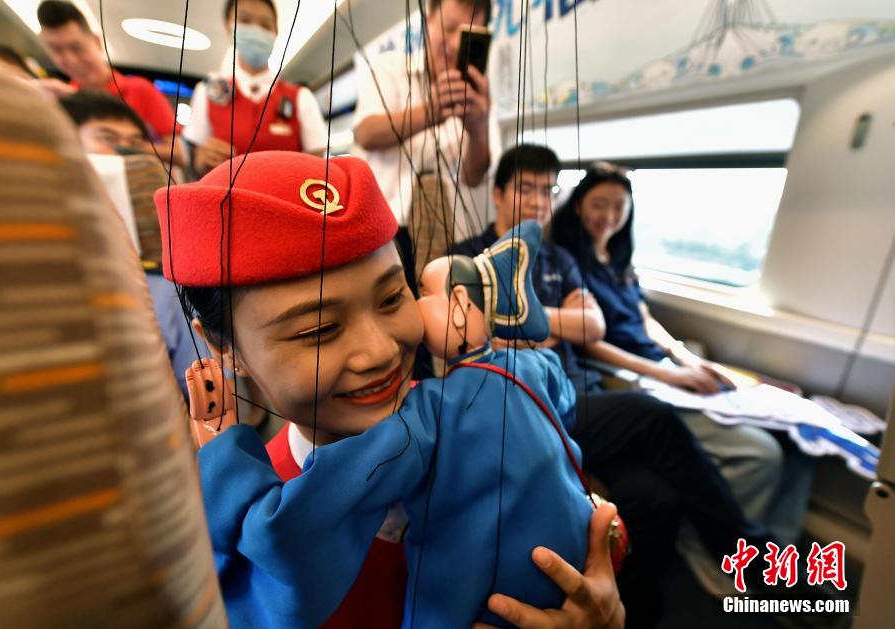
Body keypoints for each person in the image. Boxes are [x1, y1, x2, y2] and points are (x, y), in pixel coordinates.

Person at [155, 150, 625, 628]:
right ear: (222, 346)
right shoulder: (237, 524)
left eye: (393, 297)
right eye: (318, 330)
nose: (380, 352)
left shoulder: (463, 413)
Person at [451, 144, 778, 627]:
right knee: (654, 417)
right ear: (497, 194)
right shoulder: (467, 258)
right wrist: (558, 323)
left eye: (548, 190)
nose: (539, 201)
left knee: (656, 500)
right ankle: (752, 557)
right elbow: (475, 336)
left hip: (574, 392)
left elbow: (594, 326)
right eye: (526, 189)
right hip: (521, 403)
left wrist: (522, 319)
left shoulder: (558, 257)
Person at [550, 164, 815, 548]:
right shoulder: (567, 263)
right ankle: (717, 550)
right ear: (577, 206)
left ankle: (776, 551)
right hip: (630, 374)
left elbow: (643, 319)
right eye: (599, 204)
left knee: (797, 437)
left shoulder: (619, 260)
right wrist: (667, 374)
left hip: (661, 366)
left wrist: (683, 357)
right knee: (762, 454)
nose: (609, 215)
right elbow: (588, 342)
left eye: (619, 206)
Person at [59, 89, 207, 396]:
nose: (125, 152)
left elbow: (206, 387)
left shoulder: (170, 277)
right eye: (108, 139)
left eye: (136, 143)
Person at [353, 0, 499, 276]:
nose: (454, 43)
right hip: (379, 232)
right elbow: (366, 133)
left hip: (447, 237)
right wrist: (431, 112)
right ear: (429, 19)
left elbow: (473, 176)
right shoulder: (388, 68)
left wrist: (479, 128)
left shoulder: (478, 94)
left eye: (466, 35)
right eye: (449, 28)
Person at [184, 0, 329, 176]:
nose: (256, 30)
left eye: (265, 25)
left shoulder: (301, 97)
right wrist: (203, 158)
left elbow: (317, 167)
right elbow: (196, 162)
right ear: (228, 27)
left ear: (276, 32)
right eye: (245, 20)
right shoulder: (207, 92)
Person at [36, 0, 184, 168]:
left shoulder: (140, 89)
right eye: (57, 50)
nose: (70, 59)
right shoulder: (63, 99)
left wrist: (120, 145)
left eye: (76, 47)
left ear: (97, 43)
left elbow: (178, 154)